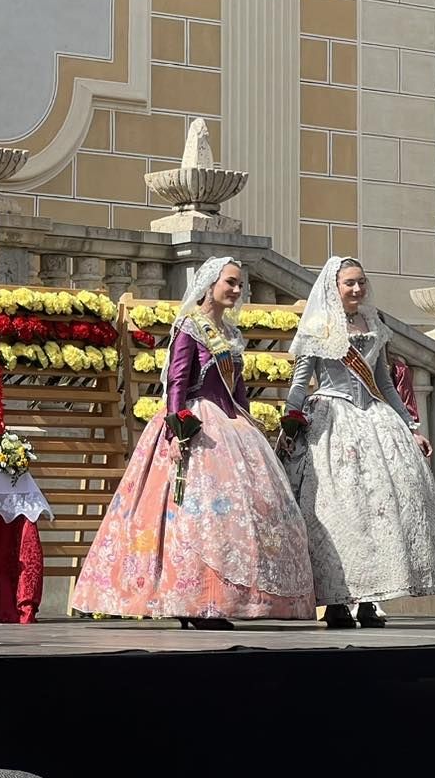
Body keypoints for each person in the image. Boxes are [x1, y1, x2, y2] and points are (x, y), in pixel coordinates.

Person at [71, 257, 314, 627]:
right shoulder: (190, 326)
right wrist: (177, 430)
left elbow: (237, 388)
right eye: (230, 282)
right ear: (210, 284)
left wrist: (247, 421)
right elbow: (178, 382)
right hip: (197, 424)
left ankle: (225, 598)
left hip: (231, 426)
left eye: (240, 284)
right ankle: (193, 600)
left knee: (232, 515)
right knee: (193, 513)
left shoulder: (229, 333)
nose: (237, 290)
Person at [281, 257, 435, 628]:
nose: (357, 289)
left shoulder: (374, 324)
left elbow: (386, 385)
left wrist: (411, 427)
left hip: (375, 421)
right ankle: (335, 601)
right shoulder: (318, 326)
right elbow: (299, 383)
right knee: (339, 513)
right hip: (332, 420)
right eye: (349, 283)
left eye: (361, 282)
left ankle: (369, 600)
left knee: (380, 512)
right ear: (334, 287)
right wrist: (290, 423)